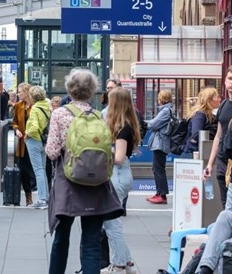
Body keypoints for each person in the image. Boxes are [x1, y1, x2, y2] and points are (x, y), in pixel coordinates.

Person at [45, 68, 123, 274]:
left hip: (67, 181)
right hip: (96, 184)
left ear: (69, 89)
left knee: (61, 239)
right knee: (91, 241)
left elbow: (52, 152)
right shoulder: (99, 116)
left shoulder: (60, 114)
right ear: (92, 91)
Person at [101, 87, 141, 274]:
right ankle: (127, 262)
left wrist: (101, 149)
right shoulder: (126, 126)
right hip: (121, 175)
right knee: (112, 222)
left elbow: (118, 157)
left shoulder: (122, 129)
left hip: (117, 175)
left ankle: (118, 264)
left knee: (111, 224)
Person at [204, 64, 232, 208]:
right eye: (230, 78)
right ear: (225, 81)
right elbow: (218, 136)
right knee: (224, 202)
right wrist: (210, 163)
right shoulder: (223, 105)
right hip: (222, 160)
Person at [25, 85, 51, 209]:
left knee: (38, 170)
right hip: (44, 140)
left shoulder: (35, 108)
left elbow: (34, 126)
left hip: (34, 140)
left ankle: (41, 199)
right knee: (43, 170)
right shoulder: (47, 106)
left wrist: (27, 134)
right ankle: (46, 197)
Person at [146, 90, 173, 205]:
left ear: (162, 99)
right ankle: (158, 193)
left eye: (159, 97)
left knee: (159, 169)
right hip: (159, 143)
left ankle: (162, 195)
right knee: (156, 168)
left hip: (160, 144)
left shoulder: (166, 111)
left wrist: (146, 123)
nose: (158, 99)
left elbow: (153, 124)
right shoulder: (165, 110)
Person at [12, 82, 37, 205]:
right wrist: (16, 130)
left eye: (20, 91)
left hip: (35, 140)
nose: (18, 94)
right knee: (24, 169)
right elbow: (15, 121)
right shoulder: (18, 105)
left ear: (27, 92)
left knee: (37, 168)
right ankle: (28, 196)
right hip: (23, 143)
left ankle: (41, 193)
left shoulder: (36, 105)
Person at [183, 87, 220, 156]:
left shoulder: (209, 115)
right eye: (217, 97)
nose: (219, 99)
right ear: (209, 100)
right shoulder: (200, 115)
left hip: (200, 152)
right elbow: (196, 134)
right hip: (193, 154)